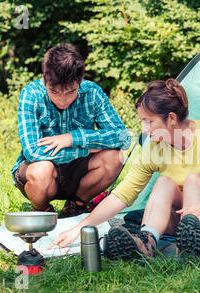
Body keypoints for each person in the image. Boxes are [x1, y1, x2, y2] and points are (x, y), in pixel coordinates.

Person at [48, 78, 200, 258]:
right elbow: (123, 194)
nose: (144, 129)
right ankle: (147, 242)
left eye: (149, 122)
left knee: (193, 180)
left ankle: (189, 249)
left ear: (171, 118)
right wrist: (80, 227)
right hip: (183, 215)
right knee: (163, 182)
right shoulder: (154, 146)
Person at [11, 44, 130, 217]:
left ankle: (76, 206)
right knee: (40, 170)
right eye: (54, 91)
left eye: (70, 91)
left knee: (115, 157)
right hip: (43, 171)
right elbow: (32, 152)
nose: (63, 99)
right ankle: (42, 210)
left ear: (80, 81)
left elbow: (123, 137)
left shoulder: (93, 93)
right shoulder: (31, 94)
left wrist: (73, 138)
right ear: (44, 80)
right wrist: (87, 149)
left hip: (79, 172)